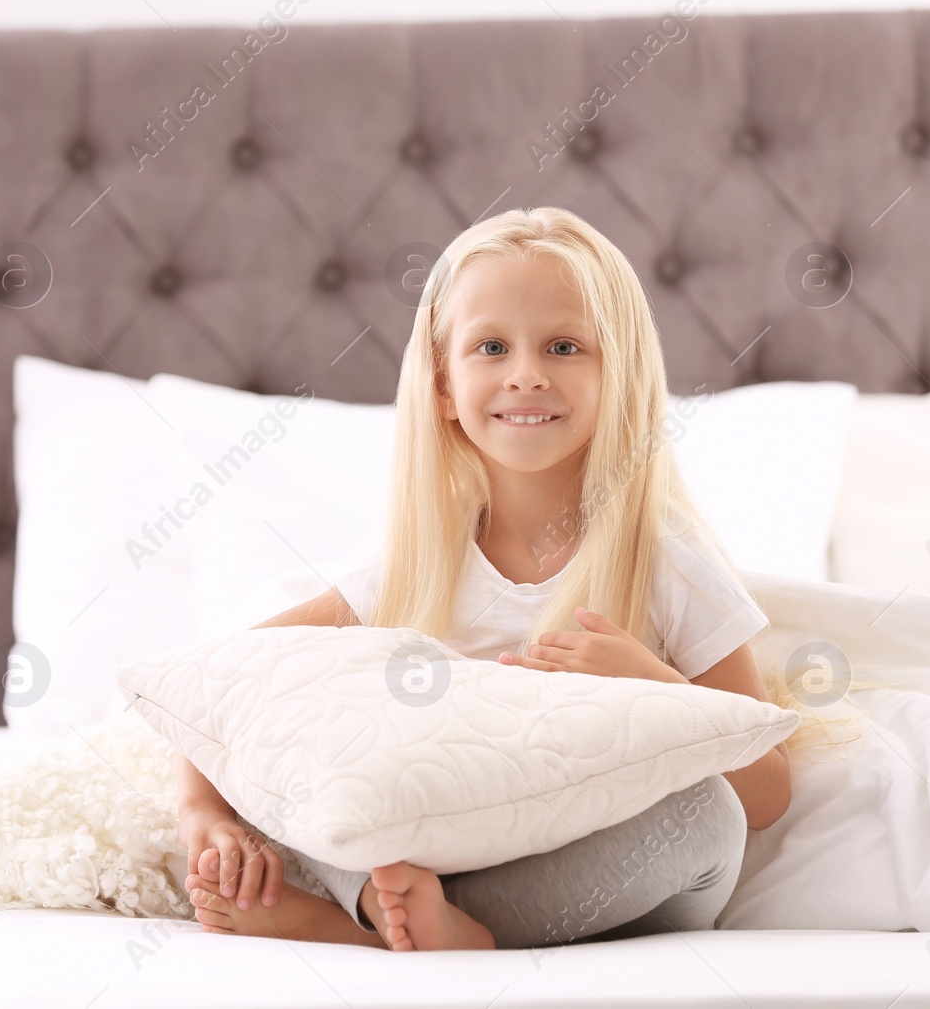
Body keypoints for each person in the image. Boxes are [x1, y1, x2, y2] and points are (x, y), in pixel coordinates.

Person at [174, 206, 792, 951]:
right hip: (432, 860)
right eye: (491, 347)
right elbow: (224, 680)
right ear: (442, 385)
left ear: (619, 372)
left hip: (603, 884)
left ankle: (370, 929)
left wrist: (659, 687)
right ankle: (407, 914)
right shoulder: (413, 563)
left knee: (708, 817)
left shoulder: (666, 557)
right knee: (324, 770)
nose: (526, 374)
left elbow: (767, 795)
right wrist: (203, 814)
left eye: (564, 346)